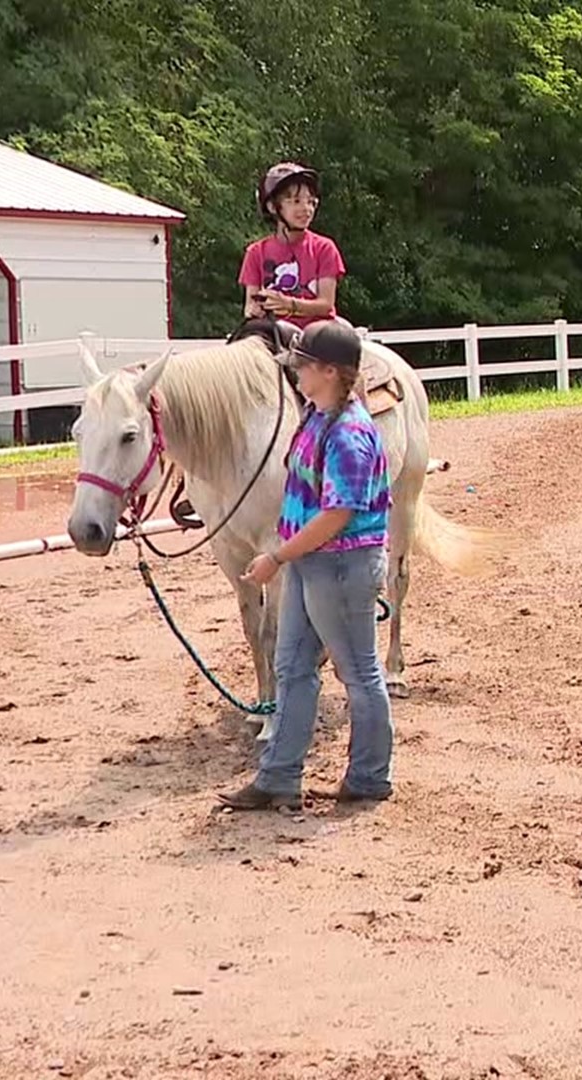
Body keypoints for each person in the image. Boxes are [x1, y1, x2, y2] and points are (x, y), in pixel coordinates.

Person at [219, 320, 395, 810]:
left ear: (329, 372)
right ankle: (279, 775)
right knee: (292, 665)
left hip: (340, 565)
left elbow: (337, 514)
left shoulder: (349, 434)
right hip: (311, 563)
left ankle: (369, 775)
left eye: (303, 364)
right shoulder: (317, 416)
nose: (295, 371)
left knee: (357, 671)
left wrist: (277, 555)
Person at [240, 161, 347, 328]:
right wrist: (254, 311)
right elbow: (250, 304)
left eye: (311, 202)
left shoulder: (325, 248)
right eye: (296, 201)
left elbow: (326, 305)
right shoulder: (255, 252)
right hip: (272, 330)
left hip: (316, 333)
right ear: (273, 207)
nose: (306, 209)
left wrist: (288, 304)